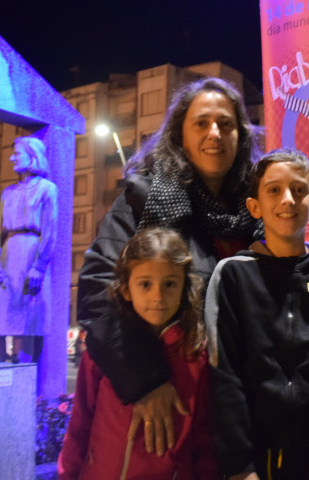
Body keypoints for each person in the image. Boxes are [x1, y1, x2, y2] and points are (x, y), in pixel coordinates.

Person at [77, 77, 262, 455]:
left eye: (226, 124)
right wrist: (145, 381)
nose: (215, 133)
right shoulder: (144, 201)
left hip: (237, 413)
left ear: (240, 137)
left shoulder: (256, 212)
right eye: (201, 123)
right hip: (166, 405)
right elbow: (98, 289)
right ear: (180, 135)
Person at [205, 148, 309, 480]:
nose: (288, 200)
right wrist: (240, 467)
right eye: (274, 190)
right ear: (255, 206)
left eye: (299, 190)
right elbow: (224, 375)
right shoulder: (232, 276)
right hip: (254, 463)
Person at [58, 228, 216, 480]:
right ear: (126, 290)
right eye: (145, 284)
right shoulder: (104, 352)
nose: (157, 296)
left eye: (170, 284)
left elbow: (202, 438)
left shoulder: (195, 356)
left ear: (184, 287)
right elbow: (79, 425)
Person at [0, 136, 57, 363]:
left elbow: (50, 232)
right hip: (7, 256)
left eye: (17, 153)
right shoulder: (8, 192)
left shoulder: (47, 189)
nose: (12, 157)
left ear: (32, 156)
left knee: (26, 325)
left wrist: (39, 267)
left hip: (30, 257)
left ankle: (23, 383)